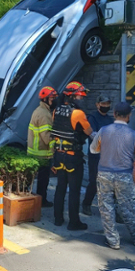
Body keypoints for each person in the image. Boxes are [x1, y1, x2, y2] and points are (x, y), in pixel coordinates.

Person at [91, 102, 135, 250]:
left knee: (106, 207)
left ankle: (113, 241)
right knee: (130, 207)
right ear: (129, 116)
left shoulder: (103, 131)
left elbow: (94, 150)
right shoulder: (134, 135)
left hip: (104, 174)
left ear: (114, 114)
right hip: (124, 175)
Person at [50, 82, 92, 230]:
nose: (82, 99)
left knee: (61, 187)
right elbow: (89, 132)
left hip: (59, 156)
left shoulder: (56, 111)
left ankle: (58, 218)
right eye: (80, 96)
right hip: (73, 158)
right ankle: (74, 222)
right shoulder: (78, 114)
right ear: (72, 96)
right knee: (74, 190)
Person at [82, 95, 114, 216]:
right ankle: (86, 204)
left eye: (107, 104)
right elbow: (93, 135)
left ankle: (108, 209)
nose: (106, 106)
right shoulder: (92, 118)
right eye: (103, 104)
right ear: (97, 105)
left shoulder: (110, 120)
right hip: (95, 155)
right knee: (94, 181)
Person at [27, 86, 57, 207]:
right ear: (45, 99)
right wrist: (55, 144)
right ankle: (42, 201)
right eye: (52, 98)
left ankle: (30, 197)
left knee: (31, 178)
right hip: (42, 154)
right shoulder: (45, 115)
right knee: (43, 181)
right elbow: (47, 137)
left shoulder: (38, 110)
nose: (54, 100)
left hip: (34, 152)